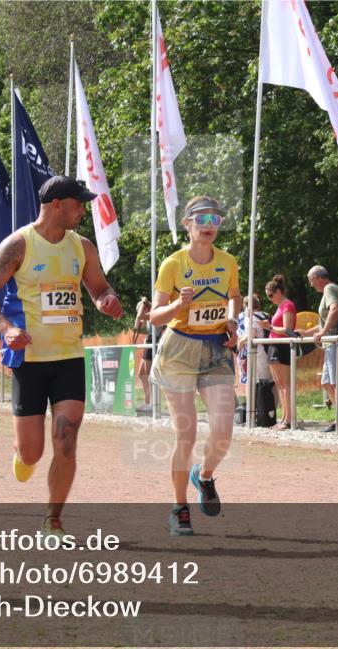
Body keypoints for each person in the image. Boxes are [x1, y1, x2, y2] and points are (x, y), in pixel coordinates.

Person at [0, 175, 123, 536]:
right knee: (32, 454)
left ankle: (53, 520)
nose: (82, 211)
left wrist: (106, 300)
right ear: (57, 204)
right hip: (30, 361)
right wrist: (7, 329)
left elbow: (99, 287)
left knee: (67, 440)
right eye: (78, 204)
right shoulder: (19, 245)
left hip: (69, 358)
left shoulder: (82, 247)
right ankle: (21, 454)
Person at [149, 195, 240, 536]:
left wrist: (232, 320)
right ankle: (179, 508)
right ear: (187, 224)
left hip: (215, 348)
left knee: (223, 431)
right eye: (201, 219)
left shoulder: (228, 261)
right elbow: (155, 316)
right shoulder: (173, 264)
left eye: (215, 219)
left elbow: (234, 296)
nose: (208, 226)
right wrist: (176, 305)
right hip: (179, 350)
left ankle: (203, 476)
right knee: (185, 433)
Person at [300, 265, 338, 432]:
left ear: (317, 278)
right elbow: (326, 319)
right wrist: (307, 332)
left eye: (310, 280)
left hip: (335, 342)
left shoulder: (329, 288)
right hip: (331, 342)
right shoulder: (332, 289)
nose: (310, 284)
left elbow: (334, 310)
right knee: (327, 383)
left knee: (336, 383)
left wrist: (323, 331)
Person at [259, 275, 296, 430]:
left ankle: (289, 419)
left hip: (282, 347)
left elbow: (288, 330)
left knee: (285, 385)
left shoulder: (288, 305)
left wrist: (269, 327)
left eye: (271, 295)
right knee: (280, 385)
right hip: (274, 345)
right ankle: (284, 418)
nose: (269, 299)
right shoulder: (280, 306)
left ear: (279, 292)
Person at [132, 296, 159, 413]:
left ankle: (153, 403)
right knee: (141, 374)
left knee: (149, 375)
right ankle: (148, 402)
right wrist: (143, 305)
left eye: (142, 309)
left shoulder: (154, 313)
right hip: (148, 342)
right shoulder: (148, 317)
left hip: (153, 342)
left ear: (146, 308)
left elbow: (139, 316)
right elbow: (136, 324)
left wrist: (144, 302)